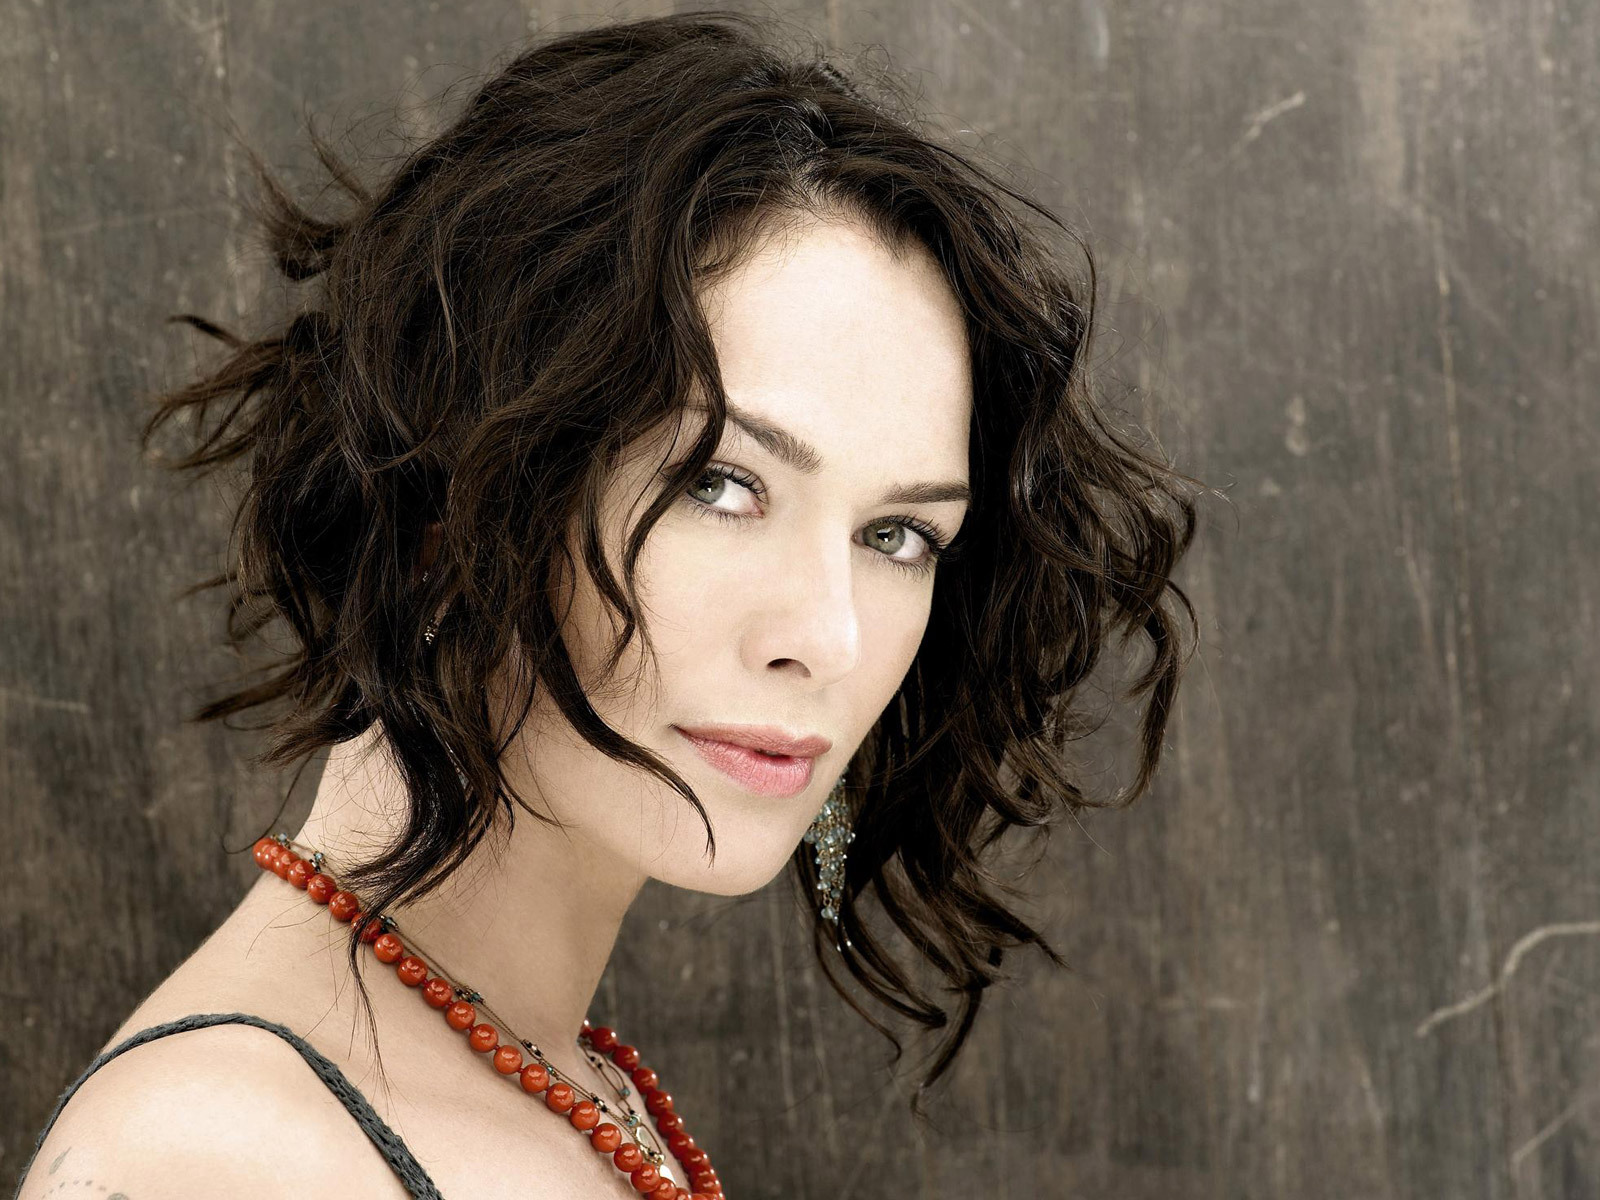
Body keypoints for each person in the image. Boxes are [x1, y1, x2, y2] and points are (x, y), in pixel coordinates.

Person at [12, 9, 1203, 1198]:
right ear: (455, 482)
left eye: (897, 535)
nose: (829, 638)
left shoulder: (558, 1087)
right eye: (719, 484)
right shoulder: (221, 1157)